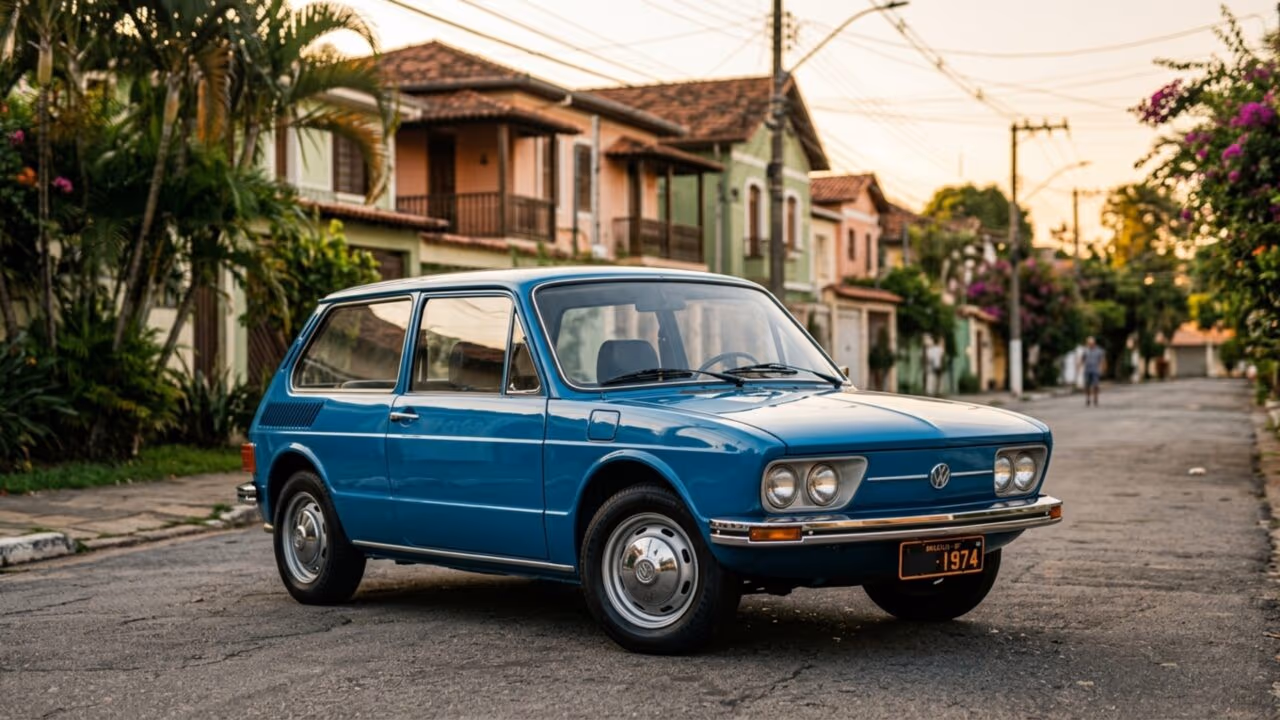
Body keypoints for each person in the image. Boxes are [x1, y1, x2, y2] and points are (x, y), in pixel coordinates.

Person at [1082, 336, 1105, 407]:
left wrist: (1102, 368)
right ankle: (1088, 398)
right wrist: (1079, 366)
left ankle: (1095, 398)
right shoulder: (1085, 350)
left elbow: (1102, 360)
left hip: (1095, 370)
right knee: (1087, 385)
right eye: (1088, 343)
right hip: (1087, 370)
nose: (1090, 344)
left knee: (1095, 385)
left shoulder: (1099, 350)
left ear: (1094, 343)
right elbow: (1082, 358)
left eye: (1091, 343)